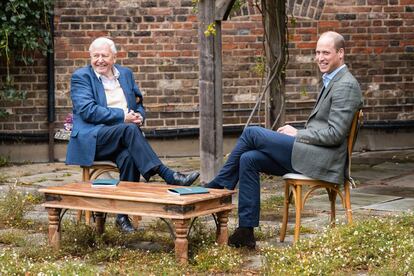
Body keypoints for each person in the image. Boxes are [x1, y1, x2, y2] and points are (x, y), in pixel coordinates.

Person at [205, 31, 363, 249]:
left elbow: (335, 134)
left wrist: (298, 133)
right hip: (311, 153)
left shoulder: (345, 85)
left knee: (252, 133)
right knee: (249, 159)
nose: (320, 58)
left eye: (326, 52)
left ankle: (219, 187)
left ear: (341, 53)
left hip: (322, 160)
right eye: (317, 53)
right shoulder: (333, 81)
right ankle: (245, 232)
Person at [66, 37, 199, 233]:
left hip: (122, 137)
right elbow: (88, 111)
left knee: (129, 156)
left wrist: (138, 116)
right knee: (129, 129)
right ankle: (168, 175)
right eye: (95, 56)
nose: (99, 60)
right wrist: (123, 117)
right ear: (90, 57)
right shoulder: (81, 77)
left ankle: (122, 216)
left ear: (114, 57)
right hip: (94, 139)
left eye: (104, 55)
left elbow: (138, 103)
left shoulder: (126, 74)